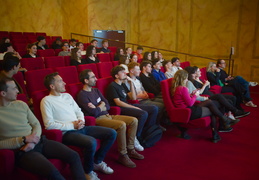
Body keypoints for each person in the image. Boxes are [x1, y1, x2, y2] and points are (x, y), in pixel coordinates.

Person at [0, 76, 87, 180]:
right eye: (14, 88)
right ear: (3, 93)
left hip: (39, 141)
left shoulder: (21, 104)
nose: (18, 91)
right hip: (22, 150)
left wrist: (33, 140)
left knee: (74, 156)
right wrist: (23, 140)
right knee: (52, 172)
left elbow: (36, 124)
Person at [40, 72, 117, 180]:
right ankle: (88, 171)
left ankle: (97, 161)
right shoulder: (46, 101)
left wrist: (81, 120)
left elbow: (78, 111)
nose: (64, 83)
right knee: (91, 142)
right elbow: (49, 125)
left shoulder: (67, 96)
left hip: (81, 127)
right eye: (60, 81)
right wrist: (72, 125)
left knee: (111, 133)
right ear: (52, 86)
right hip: (67, 133)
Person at [77, 69, 144, 168]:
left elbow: (107, 105)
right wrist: (101, 106)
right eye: (93, 77)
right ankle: (123, 154)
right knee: (121, 125)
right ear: (86, 81)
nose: (96, 79)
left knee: (134, 120)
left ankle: (130, 149)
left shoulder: (96, 90)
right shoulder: (82, 95)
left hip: (109, 115)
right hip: (98, 119)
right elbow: (93, 112)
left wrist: (99, 106)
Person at [171, 70, 234, 143]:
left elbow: (184, 100)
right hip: (188, 111)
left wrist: (191, 94)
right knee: (212, 110)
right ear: (182, 79)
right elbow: (190, 103)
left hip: (186, 109)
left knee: (209, 103)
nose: (187, 80)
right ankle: (219, 129)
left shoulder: (176, 88)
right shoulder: (183, 88)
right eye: (186, 78)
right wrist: (195, 95)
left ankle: (222, 124)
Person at [106, 66, 158, 150]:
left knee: (154, 108)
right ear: (116, 76)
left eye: (124, 71)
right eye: (122, 72)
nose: (125, 73)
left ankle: (146, 132)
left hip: (127, 104)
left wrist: (131, 83)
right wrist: (134, 108)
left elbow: (133, 98)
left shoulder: (122, 84)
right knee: (143, 114)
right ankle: (134, 137)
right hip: (119, 108)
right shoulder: (112, 86)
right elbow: (118, 102)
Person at [185, 66, 249, 123]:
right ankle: (232, 114)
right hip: (205, 97)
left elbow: (198, 92)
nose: (195, 74)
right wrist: (204, 91)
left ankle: (232, 114)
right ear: (190, 74)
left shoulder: (193, 81)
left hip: (208, 95)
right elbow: (196, 95)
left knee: (232, 98)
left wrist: (207, 84)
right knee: (220, 98)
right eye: (194, 73)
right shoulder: (190, 82)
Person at [127, 62, 167, 131]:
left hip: (144, 98)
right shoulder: (127, 81)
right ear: (131, 71)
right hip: (138, 101)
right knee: (157, 107)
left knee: (164, 103)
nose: (140, 71)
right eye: (138, 69)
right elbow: (131, 96)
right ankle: (150, 127)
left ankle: (156, 124)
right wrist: (142, 96)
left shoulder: (138, 79)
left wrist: (145, 94)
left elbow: (143, 89)